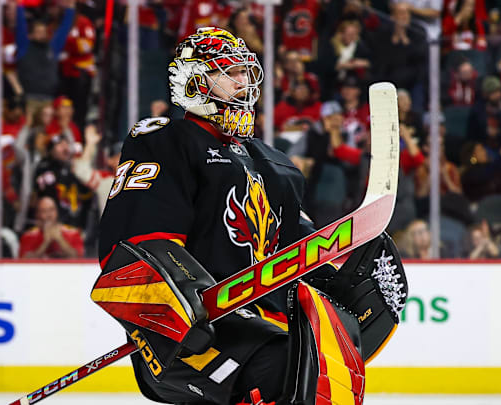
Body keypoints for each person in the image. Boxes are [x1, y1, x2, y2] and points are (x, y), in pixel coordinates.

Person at [94, 27, 407, 405]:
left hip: (266, 324)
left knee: (325, 371)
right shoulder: (167, 141)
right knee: (285, 369)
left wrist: (341, 280)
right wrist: (175, 294)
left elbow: (297, 251)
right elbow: (135, 238)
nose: (243, 83)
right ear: (194, 82)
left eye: (245, 72)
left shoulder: (274, 164)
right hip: (192, 333)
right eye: (229, 73)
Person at [19, 195, 83, 259]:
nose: (49, 215)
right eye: (44, 211)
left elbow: (79, 259)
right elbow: (24, 262)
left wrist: (59, 239)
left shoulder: (72, 233)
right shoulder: (29, 236)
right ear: (37, 214)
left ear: (57, 212)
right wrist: (46, 242)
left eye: (51, 210)